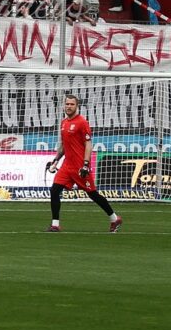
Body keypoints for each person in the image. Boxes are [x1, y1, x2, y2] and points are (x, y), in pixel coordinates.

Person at [45, 93, 121, 233]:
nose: (69, 106)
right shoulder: (63, 123)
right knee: (54, 190)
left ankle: (114, 219)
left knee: (93, 194)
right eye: (67, 104)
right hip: (67, 166)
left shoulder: (82, 122)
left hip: (80, 167)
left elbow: (88, 144)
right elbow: (63, 146)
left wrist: (86, 164)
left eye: (72, 104)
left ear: (77, 106)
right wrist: (55, 160)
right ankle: (55, 224)